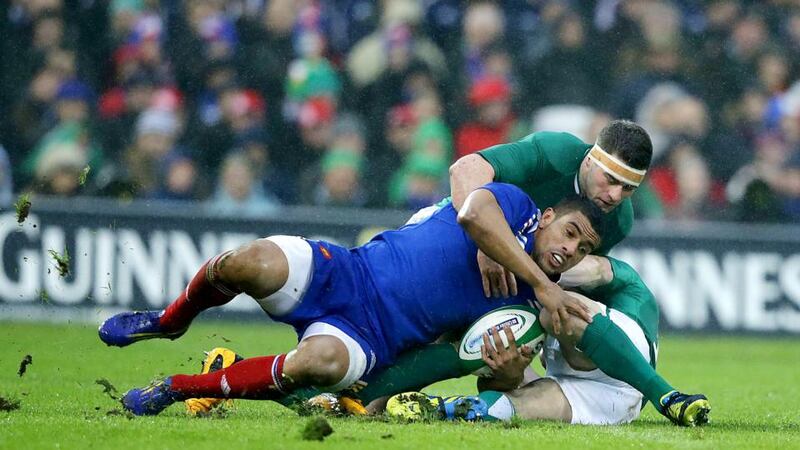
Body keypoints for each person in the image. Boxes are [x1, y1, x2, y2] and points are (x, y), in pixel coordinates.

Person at [303, 119, 709, 426]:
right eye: (611, 180)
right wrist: (488, 245)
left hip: (513, 279)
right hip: (457, 240)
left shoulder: (617, 220)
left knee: (492, 349)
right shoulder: (555, 152)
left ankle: (359, 396)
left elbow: (558, 275)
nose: (615, 197)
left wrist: (524, 355)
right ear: (591, 158)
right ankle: (324, 377)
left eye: (629, 189)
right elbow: (465, 171)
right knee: (414, 328)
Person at [98, 184, 604, 416]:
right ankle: (169, 321)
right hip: (348, 271)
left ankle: (177, 387)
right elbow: (474, 215)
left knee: (317, 363)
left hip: (372, 338)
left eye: (583, 248)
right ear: (548, 214)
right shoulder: (513, 204)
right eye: (570, 231)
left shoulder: (527, 309)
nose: (569, 249)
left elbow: (486, 369)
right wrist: (540, 281)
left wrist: (508, 370)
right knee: (244, 264)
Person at [385, 255, 700, 426]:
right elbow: (510, 380)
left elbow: (595, 270)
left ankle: (668, 396)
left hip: (629, 377)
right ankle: (445, 409)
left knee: (557, 311)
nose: (569, 250)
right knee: (513, 404)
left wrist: (524, 265)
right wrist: (507, 373)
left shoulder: (622, 280)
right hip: (589, 393)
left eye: (581, 243)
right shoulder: (527, 305)